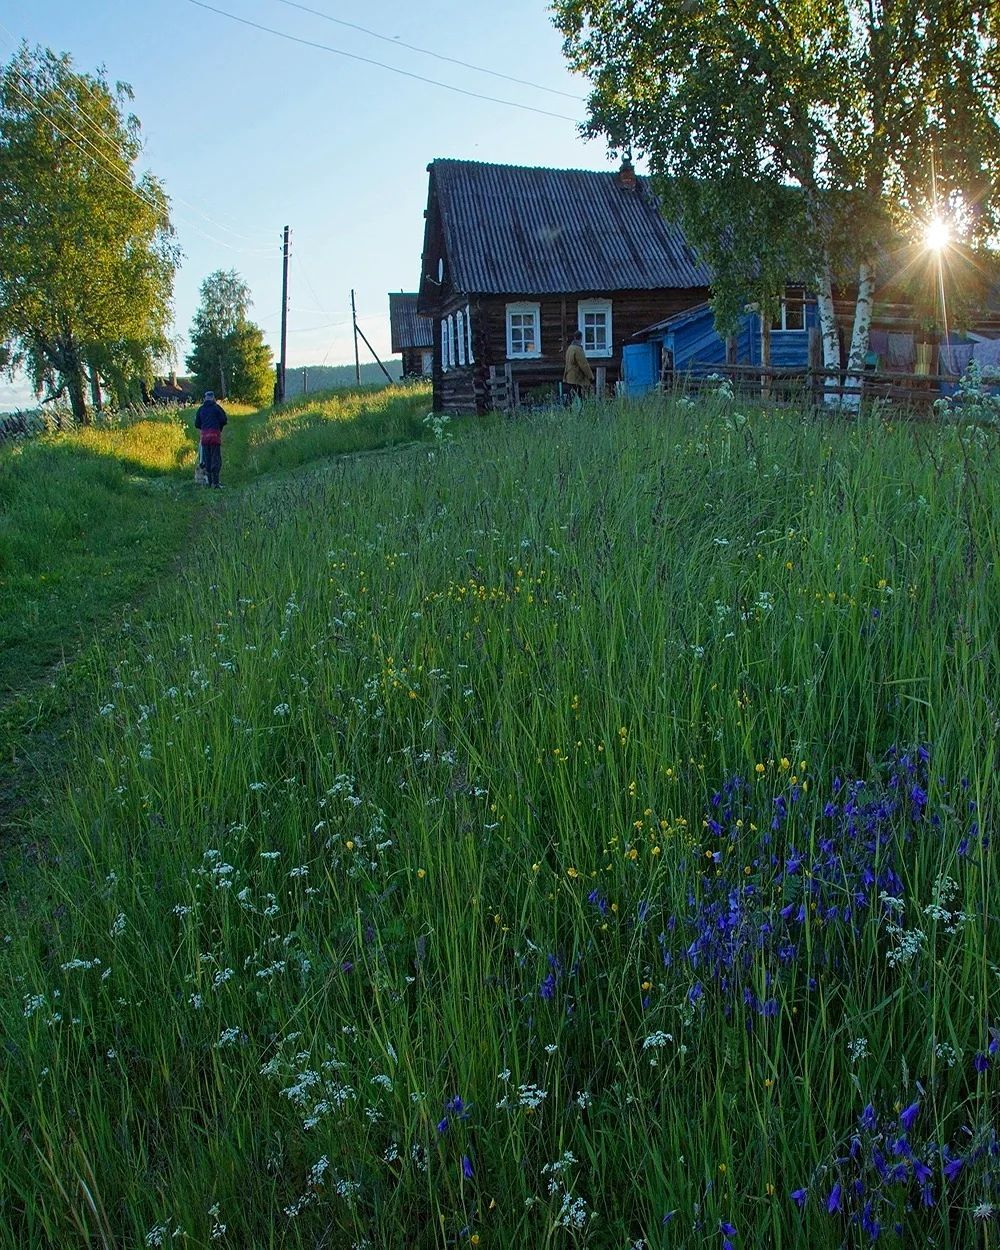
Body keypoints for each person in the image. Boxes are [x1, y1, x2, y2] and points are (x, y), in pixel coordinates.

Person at [194, 390, 228, 488]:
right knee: (216, 459)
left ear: (205, 398)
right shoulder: (217, 408)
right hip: (215, 437)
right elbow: (224, 420)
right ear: (213, 398)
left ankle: (209, 483)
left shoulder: (201, 409)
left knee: (207, 460)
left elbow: (197, 424)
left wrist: (204, 427)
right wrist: (219, 427)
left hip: (204, 437)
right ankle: (216, 483)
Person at [563, 331, 594, 404]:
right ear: (581, 338)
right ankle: (585, 409)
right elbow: (583, 364)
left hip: (569, 376)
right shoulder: (578, 349)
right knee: (579, 396)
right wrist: (590, 377)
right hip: (577, 377)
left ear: (574, 337)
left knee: (572, 395)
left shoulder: (570, 348)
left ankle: (568, 410)